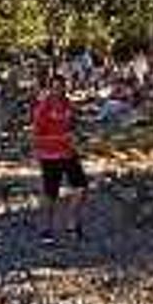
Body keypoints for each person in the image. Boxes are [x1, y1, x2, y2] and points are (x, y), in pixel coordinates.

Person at [31, 74, 87, 244]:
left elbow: (73, 125)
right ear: (50, 89)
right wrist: (62, 138)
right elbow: (36, 137)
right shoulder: (43, 108)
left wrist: (78, 136)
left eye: (62, 87)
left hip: (69, 153)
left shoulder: (68, 105)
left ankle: (72, 224)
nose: (59, 91)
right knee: (50, 194)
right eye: (55, 87)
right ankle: (46, 230)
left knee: (81, 187)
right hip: (50, 156)